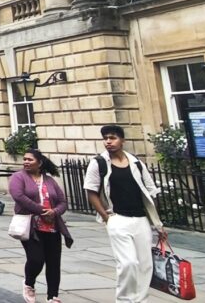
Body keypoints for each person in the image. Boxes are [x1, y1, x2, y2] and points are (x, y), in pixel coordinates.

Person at [83, 124, 164, 303]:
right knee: (128, 263)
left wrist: (157, 224)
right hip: (117, 218)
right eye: (105, 138)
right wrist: (105, 216)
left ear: (122, 140)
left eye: (112, 138)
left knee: (144, 265)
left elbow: (150, 191)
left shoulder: (136, 163)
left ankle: (141, 300)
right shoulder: (99, 163)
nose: (108, 142)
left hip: (141, 219)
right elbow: (91, 191)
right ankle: (125, 300)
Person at [10, 150, 74, 303]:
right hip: (31, 226)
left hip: (52, 227)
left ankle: (52, 296)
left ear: (39, 163)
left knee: (53, 262)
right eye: (24, 159)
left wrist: (54, 211)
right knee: (36, 259)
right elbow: (18, 196)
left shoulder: (49, 180)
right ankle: (29, 283)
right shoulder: (18, 177)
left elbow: (62, 202)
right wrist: (41, 210)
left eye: (30, 159)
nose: (26, 162)